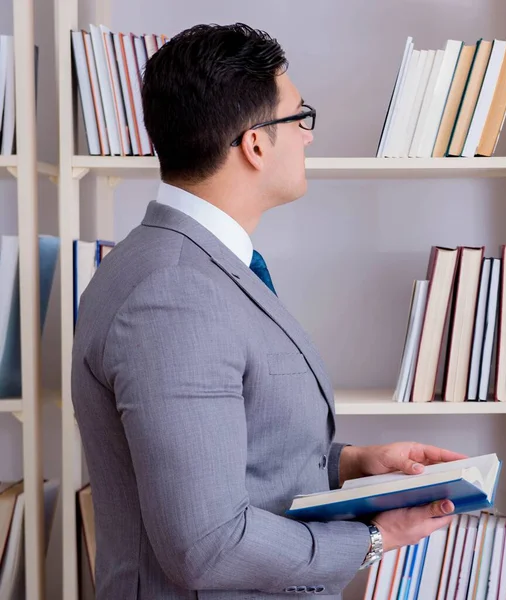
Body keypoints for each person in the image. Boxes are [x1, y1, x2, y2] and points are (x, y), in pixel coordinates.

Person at [71, 23, 466, 599]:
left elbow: (231, 447)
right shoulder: (172, 295)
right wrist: (373, 541)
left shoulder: (187, 266)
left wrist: (350, 465)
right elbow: (207, 546)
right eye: (299, 118)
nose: (307, 136)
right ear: (256, 143)